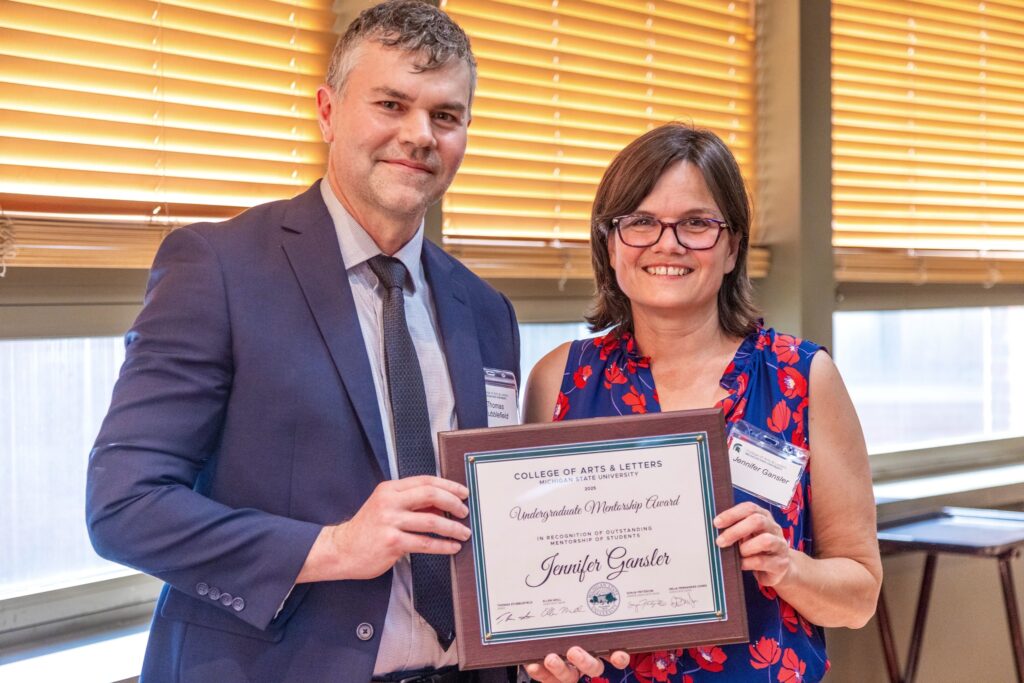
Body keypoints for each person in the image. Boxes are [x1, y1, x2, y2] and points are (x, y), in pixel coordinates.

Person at [86, 2, 622, 681]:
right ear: (328, 110)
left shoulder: (486, 311)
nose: (420, 134)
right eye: (392, 104)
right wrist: (336, 546)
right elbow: (124, 508)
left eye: (446, 115)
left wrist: (549, 622)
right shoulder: (218, 267)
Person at [523, 123, 882, 683]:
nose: (668, 244)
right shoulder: (558, 380)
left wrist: (787, 567)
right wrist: (544, 656)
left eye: (696, 223)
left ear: (733, 244)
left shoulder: (801, 378)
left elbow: (859, 597)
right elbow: (536, 578)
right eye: (640, 222)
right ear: (611, 243)